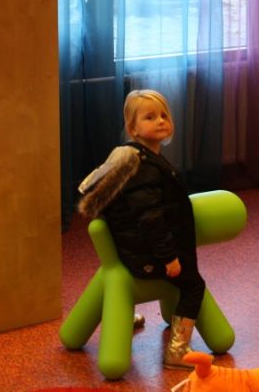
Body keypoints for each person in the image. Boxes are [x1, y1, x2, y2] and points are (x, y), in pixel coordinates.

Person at [76, 89, 206, 370]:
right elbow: (150, 219)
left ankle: (123, 317)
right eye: (150, 117)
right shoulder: (143, 168)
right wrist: (169, 257)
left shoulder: (138, 157)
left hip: (133, 249)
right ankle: (177, 351)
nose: (160, 121)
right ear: (133, 128)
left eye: (164, 115)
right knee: (194, 286)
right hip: (147, 255)